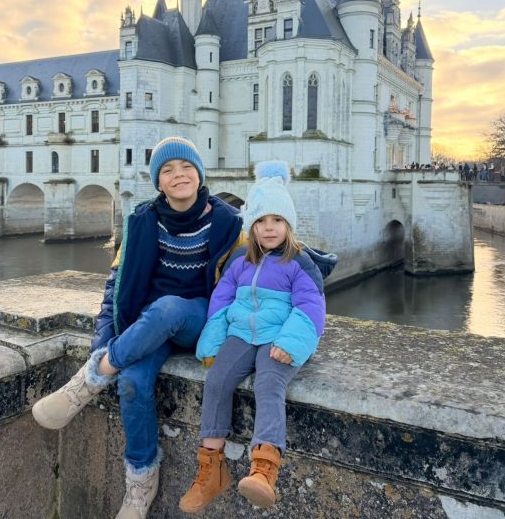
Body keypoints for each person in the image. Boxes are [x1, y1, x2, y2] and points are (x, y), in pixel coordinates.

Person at [31, 136, 245, 519]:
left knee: (168, 307)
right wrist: (103, 339)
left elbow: (260, 270)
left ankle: (90, 380)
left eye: (186, 167)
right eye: (168, 170)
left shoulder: (229, 223)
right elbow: (114, 290)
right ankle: (140, 485)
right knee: (131, 382)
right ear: (158, 182)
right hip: (149, 326)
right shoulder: (142, 222)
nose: (179, 175)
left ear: (200, 174)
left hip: (200, 321)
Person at [178, 161, 337, 513]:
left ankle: (264, 469)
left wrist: (291, 343)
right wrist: (212, 340)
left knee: (269, 382)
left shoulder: (300, 261)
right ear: (251, 225)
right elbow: (222, 301)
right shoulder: (240, 258)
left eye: (277, 220)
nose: (269, 227)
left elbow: (311, 305)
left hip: (279, 336)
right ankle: (211, 470)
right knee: (217, 380)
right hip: (241, 334)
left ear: (288, 224)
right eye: (262, 220)